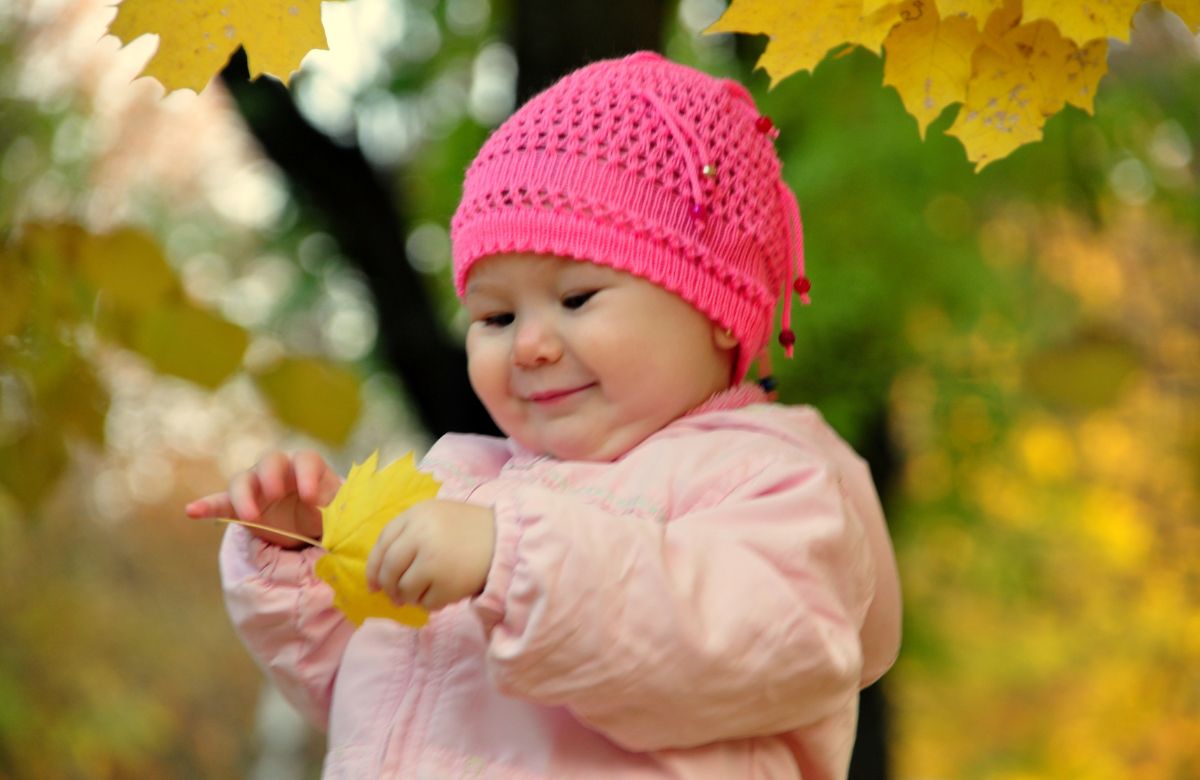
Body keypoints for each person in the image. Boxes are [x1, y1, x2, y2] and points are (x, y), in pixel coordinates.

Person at [186, 51, 901, 779]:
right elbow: (369, 699)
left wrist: (511, 560)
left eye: (576, 299)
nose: (527, 345)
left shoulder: (766, 481)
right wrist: (304, 558)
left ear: (716, 307)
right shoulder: (461, 484)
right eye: (495, 316)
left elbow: (747, 641)